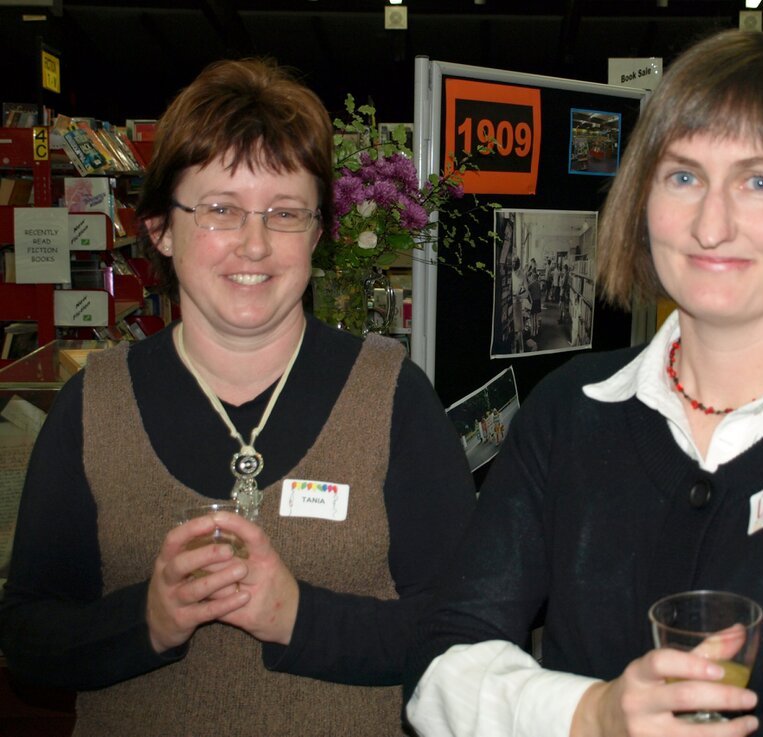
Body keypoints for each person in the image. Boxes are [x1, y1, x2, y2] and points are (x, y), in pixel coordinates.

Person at [403, 29, 763, 737]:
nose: (711, 224)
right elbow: (442, 661)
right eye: (683, 176)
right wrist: (593, 715)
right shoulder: (572, 407)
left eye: (758, 180)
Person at [0, 59, 476, 737]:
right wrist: (149, 620)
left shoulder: (393, 394)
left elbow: (461, 629)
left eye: (285, 213)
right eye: (220, 209)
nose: (255, 243)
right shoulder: (93, 405)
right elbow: (28, 638)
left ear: (316, 234)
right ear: (162, 227)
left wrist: (298, 617)